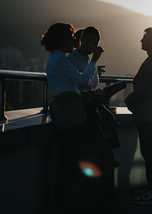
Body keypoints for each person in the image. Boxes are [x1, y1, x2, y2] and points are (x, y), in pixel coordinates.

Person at [41, 22, 113, 213]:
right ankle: (70, 202)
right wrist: (94, 62)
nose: (73, 43)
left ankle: (70, 201)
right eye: (70, 39)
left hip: (69, 108)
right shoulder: (61, 60)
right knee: (74, 155)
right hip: (68, 109)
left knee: (73, 155)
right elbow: (81, 81)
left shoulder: (57, 59)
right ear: (62, 40)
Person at [125, 27, 152, 205]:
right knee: (149, 152)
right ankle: (151, 188)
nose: (141, 40)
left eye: (145, 37)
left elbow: (145, 87)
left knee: (150, 153)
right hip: (148, 113)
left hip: (149, 114)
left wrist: (129, 99)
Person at [68, 26, 120, 166]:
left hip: (90, 105)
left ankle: (108, 157)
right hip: (79, 108)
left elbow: (90, 83)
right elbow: (78, 85)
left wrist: (96, 83)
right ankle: (106, 159)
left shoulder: (88, 62)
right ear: (81, 40)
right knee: (96, 134)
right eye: (87, 42)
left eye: (94, 44)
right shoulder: (72, 60)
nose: (90, 47)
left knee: (108, 118)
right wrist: (94, 62)